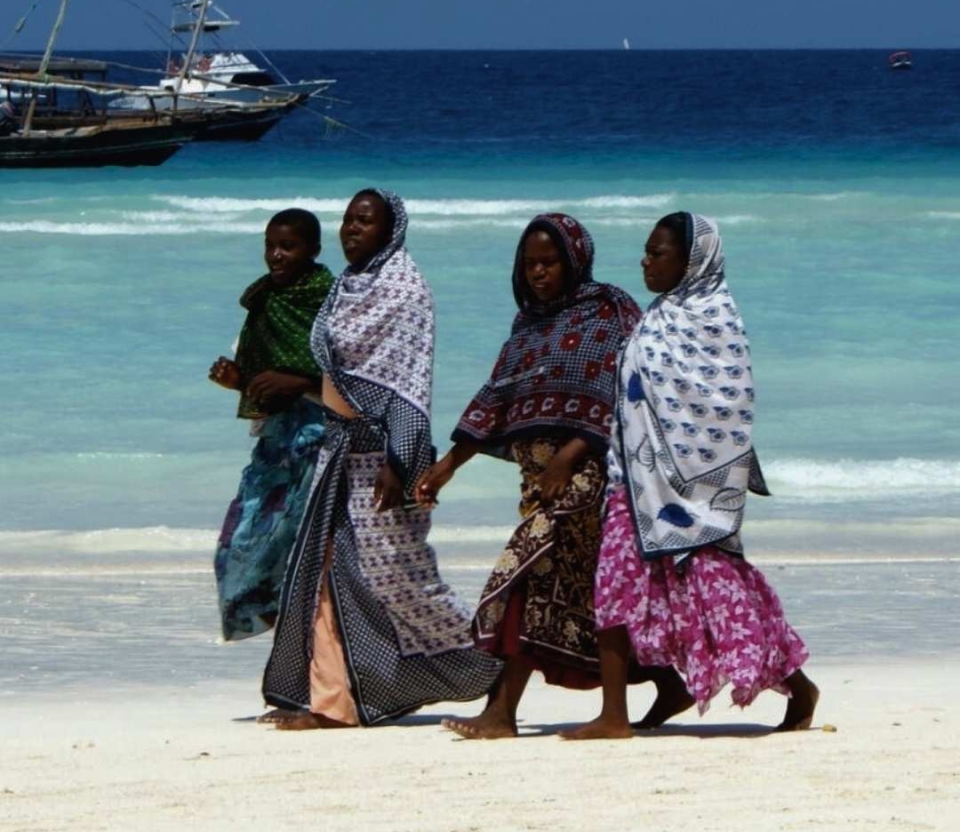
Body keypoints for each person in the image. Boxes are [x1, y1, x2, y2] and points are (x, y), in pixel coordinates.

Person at [562, 212, 819, 739]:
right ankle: (614, 715)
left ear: (691, 260)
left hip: (693, 491)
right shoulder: (656, 316)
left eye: (658, 253)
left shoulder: (713, 319)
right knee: (611, 587)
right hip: (632, 479)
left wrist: (688, 470)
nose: (645, 261)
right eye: (646, 251)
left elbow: (725, 407)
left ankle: (799, 685)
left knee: (723, 597)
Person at [416, 212, 668, 739]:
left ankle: (500, 714)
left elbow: (618, 392)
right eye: (529, 263)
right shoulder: (528, 322)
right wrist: (447, 466)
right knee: (572, 596)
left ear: (575, 259)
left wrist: (567, 456)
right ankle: (666, 680)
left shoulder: (610, 310)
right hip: (535, 483)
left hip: (584, 477)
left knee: (521, 574)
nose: (539, 272)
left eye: (550, 262)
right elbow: (497, 397)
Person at [261, 189, 502, 729]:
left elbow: (410, 386)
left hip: (386, 457)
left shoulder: (405, 289)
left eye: (365, 222)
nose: (352, 229)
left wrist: (399, 461)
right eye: (348, 219)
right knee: (326, 571)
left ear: (389, 230)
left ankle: (494, 663)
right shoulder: (347, 287)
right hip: (338, 449)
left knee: (397, 582)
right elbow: (333, 374)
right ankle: (332, 700)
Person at [209, 208, 334, 642]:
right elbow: (259, 380)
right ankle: (289, 645)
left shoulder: (331, 301)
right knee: (237, 548)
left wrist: (299, 382)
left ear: (314, 250)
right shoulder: (263, 300)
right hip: (274, 449)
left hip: (323, 445)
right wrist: (237, 381)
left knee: (302, 557)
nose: (276, 256)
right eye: (270, 246)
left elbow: (356, 380)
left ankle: (307, 663)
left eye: (288, 246)